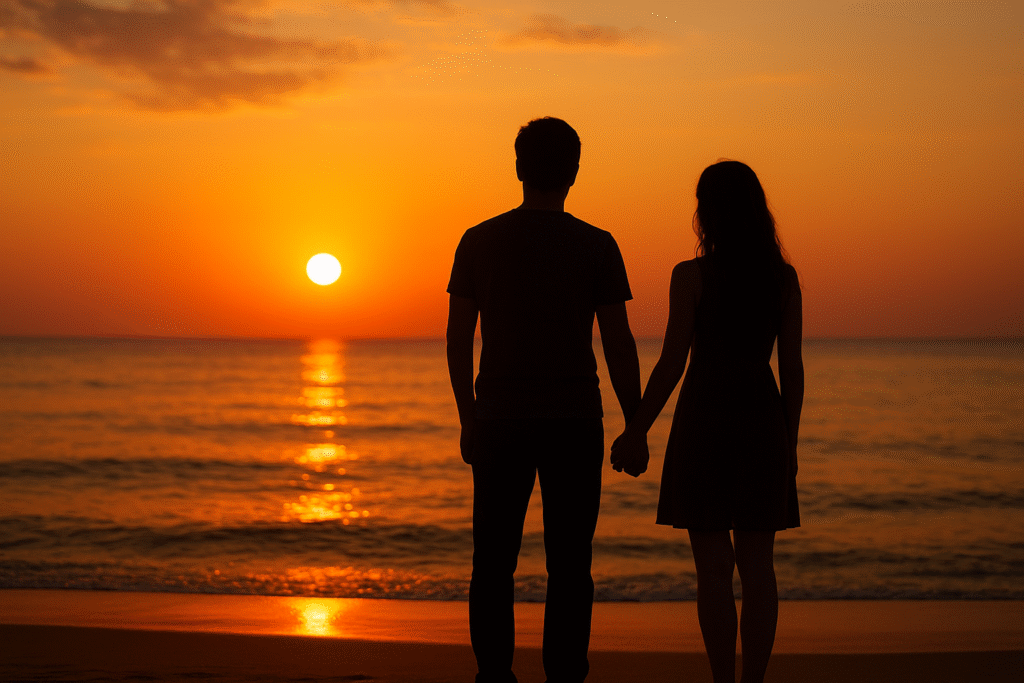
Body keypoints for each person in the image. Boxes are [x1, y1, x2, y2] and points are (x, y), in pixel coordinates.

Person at [446, 117, 646, 683]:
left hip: (501, 419)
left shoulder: (479, 240)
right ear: (574, 172)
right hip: (574, 419)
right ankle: (564, 675)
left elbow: (459, 338)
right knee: (570, 565)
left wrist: (468, 418)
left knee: (492, 562)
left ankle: (494, 675)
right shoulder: (596, 244)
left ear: (518, 167)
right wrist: (635, 424)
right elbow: (618, 342)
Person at [610, 160, 803, 683]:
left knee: (714, 569)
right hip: (763, 418)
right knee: (759, 566)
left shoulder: (691, 276)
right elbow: (792, 369)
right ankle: (753, 682)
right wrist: (790, 443)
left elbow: (673, 360)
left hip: (706, 418)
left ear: (706, 212)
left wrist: (636, 430)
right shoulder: (781, 280)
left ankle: (724, 681)